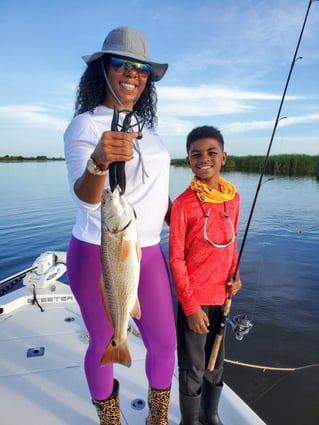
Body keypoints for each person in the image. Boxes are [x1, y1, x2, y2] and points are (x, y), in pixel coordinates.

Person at [64, 26, 176, 425]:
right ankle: (110, 421)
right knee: (103, 341)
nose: (133, 74)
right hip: (99, 250)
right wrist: (98, 161)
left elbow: (155, 192)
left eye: (142, 68)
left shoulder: (151, 131)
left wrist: (179, 221)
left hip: (149, 251)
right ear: (102, 69)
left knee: (165, 345)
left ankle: (157, 419)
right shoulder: (86, 126)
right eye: (121, 64)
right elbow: (85, 196)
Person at [169, 125, 242, 425]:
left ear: (223, 157)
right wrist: (190, 308)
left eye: (212, 153)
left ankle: (209, 413)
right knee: (193, 367)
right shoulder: (183, 204)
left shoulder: (232, 199)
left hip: (221, 299)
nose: (204, 159)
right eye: (196, 154)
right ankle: (190, 420)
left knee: (216, 363)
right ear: (188, 160)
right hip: (195, 303)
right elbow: (176, 260)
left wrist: (235, 274)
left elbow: (231, 241)